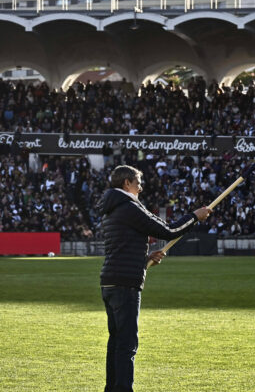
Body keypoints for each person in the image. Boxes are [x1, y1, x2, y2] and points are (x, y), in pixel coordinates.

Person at [99, 165, 211, 392]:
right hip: (125, 284)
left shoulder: (112, 208)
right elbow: (168, 231)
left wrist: (145, 260)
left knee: (116, 342)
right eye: (138, 182)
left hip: (110, 280)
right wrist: (195, 217)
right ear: (127, 183)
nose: (141, 188)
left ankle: (112, 388)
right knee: (127, 344)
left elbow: (121, 247)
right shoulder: (129, 206)